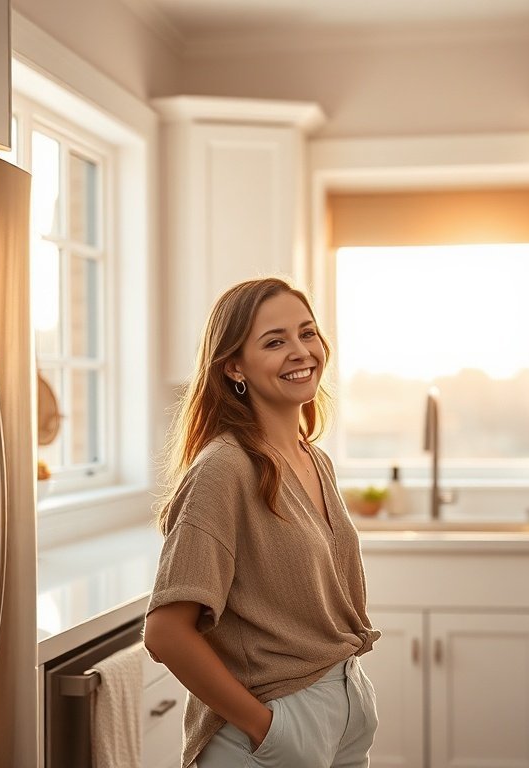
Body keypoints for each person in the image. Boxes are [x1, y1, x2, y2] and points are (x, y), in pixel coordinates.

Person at [143, 277, 380, 768]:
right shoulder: (224, 468)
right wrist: (266, 728)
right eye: (275, 341)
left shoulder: (313, 459)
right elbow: (166, 632)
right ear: (234, 366)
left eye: (307, 333)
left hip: (345, 705)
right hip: (274, 727)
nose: (300, 351)